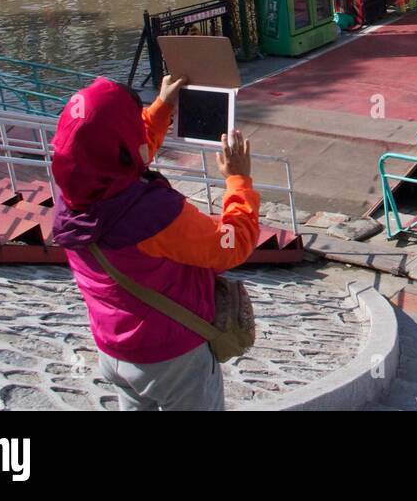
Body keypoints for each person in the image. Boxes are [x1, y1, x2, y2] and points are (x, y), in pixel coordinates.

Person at [51, 74, 261, 410]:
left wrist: (161, 108)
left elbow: (122, 153)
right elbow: (231, 246)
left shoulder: (73, 197)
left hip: (114, 350)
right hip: (173, 359)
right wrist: (238, 182)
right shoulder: (154, 215)